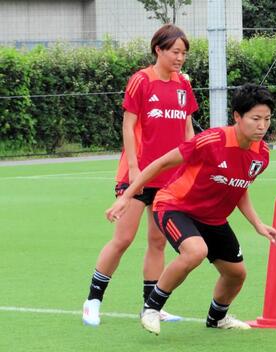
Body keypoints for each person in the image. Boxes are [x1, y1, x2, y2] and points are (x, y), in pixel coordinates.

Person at [105, 84, 276, 335]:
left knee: (236, 274)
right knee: (195, 251)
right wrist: (126, 196)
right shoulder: (211, 140)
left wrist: (257, 223)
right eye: (255, 118)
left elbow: (239, 186)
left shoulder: (262, 155)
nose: (262, 126)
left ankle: (217, 319)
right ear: (237, 116)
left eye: (267, 119)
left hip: (212, 217)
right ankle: (151, 307)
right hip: (174, 206)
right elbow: (160, 164)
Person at [82, 24, 198, 326]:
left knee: (157, 242)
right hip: (138, 174)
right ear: (158, 50)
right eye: (175, 52)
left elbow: (187, 130)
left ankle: (151, 306)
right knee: (123, 239)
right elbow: (128, 126)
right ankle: (93, 300)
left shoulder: (183, 85)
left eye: (184, 53)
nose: (180, 58)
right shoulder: (141, 81)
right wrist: (133, 169)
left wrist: (188, 165)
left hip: (168, 178)